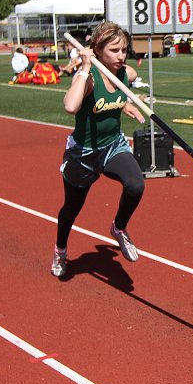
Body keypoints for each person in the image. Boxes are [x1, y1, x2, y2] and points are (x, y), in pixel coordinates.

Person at [51, 22, 147, 277]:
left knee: (136, 184)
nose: (121, 56)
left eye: (124, 49)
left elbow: (130, 79)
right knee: (71, 208)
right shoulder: (90, 79)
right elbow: (71, 106)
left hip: (113, 146)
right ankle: (60, 251)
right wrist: (84, 67)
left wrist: (123, 103)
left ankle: (119, 228)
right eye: (115, 50)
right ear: (97, 49)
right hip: (84, 154)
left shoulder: (124, 74)